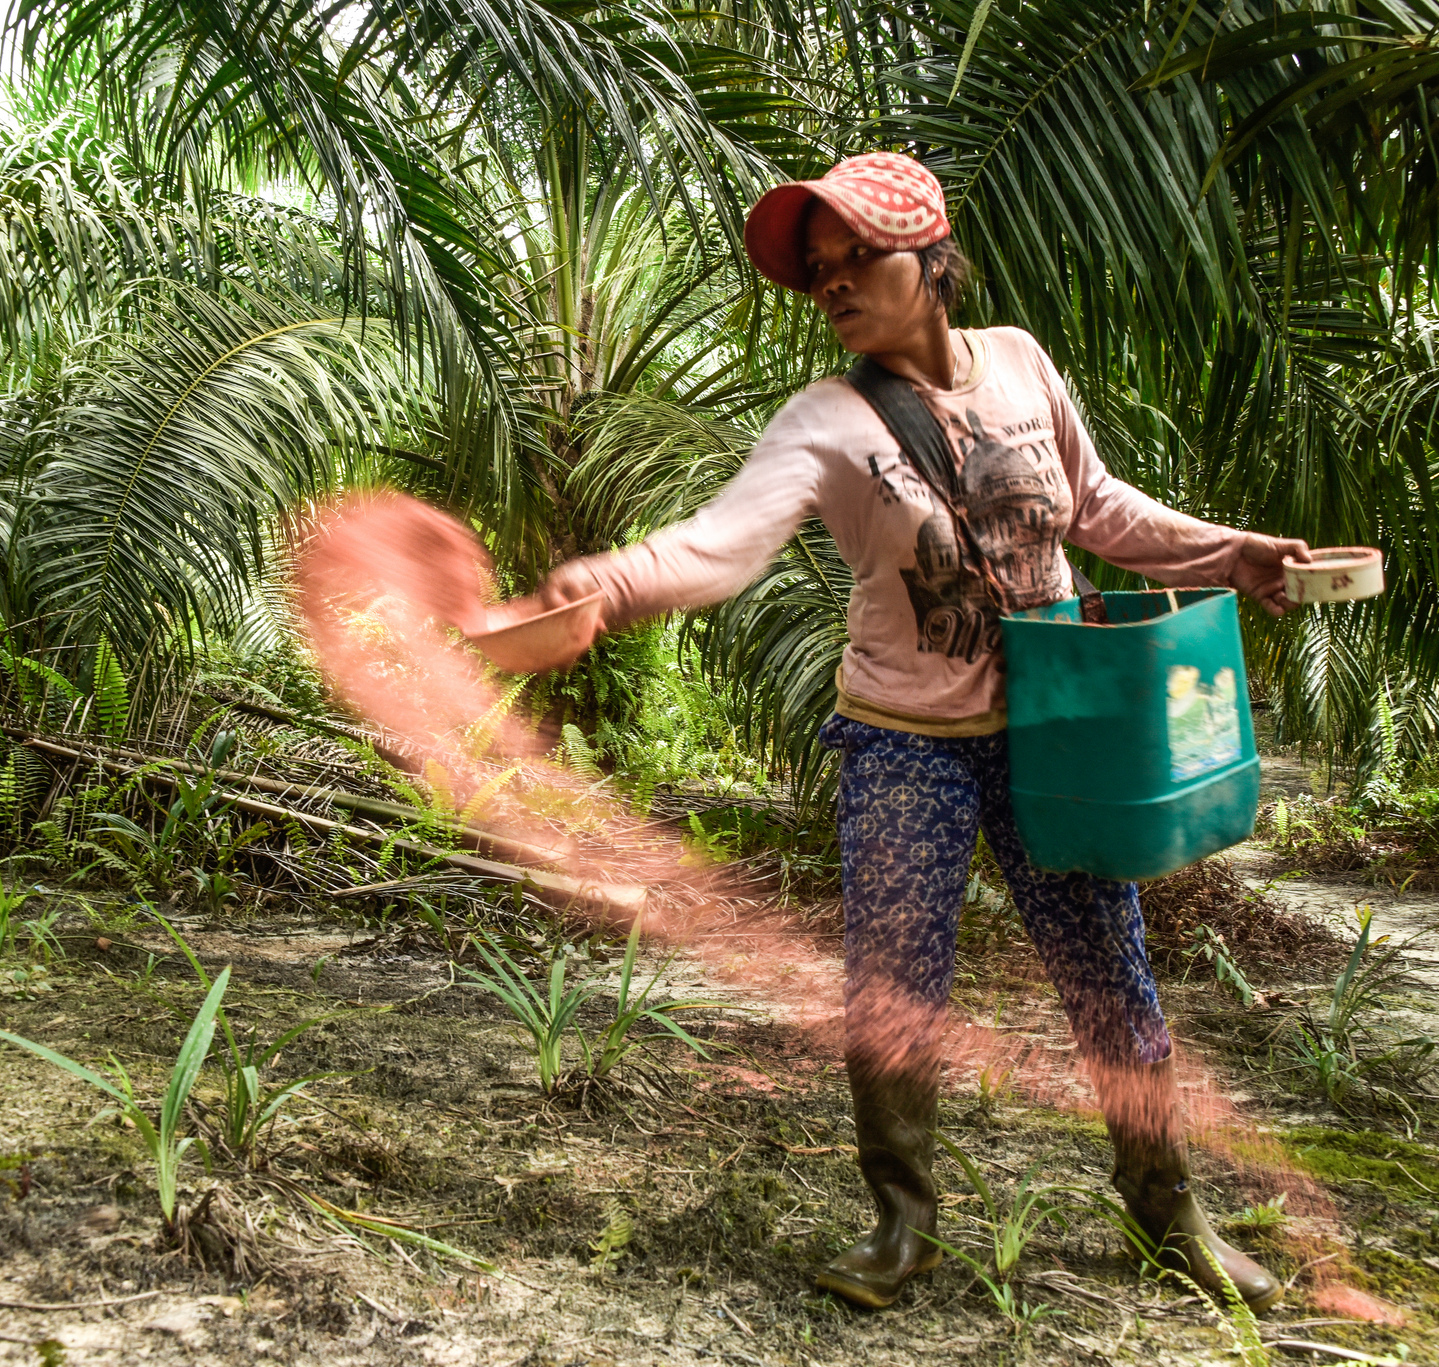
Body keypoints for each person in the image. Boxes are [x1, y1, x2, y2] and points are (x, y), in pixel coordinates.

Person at [489, 152, 1305, 1311]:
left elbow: (1100, 506)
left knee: (1109, 976)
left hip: (1055, 726)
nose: (828, 283)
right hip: (901, 740)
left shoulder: (1020, 361)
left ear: (927, 255)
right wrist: (605, 585)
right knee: (892, 986)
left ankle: (1168, 1214)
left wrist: (1235, 551)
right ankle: (900, 1224)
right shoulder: (822, 420)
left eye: (852, 257)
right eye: (814, 272)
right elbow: (718, 546)